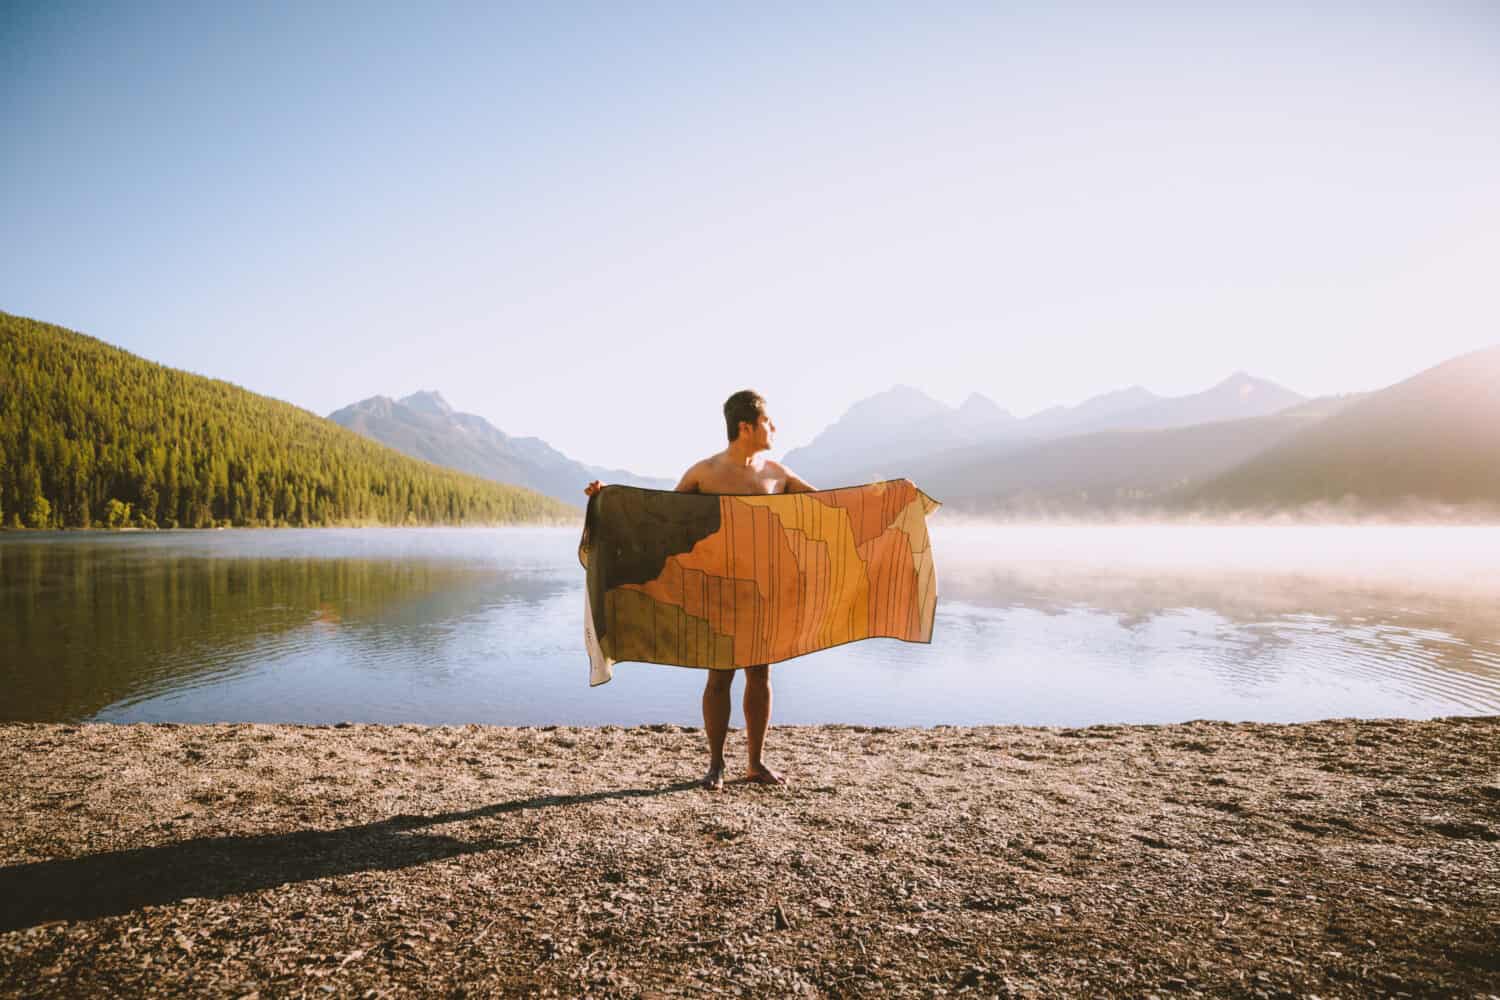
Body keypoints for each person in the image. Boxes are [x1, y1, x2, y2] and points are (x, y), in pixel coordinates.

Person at [585, 389, 815, 791]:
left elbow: (834, 507)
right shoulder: (704, 473)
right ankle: (716, 765)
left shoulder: (778, 474)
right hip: (718, 591)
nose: (774, 428)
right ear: (746, 426)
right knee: (719, 677)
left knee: (760, 675)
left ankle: (756, 763)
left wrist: (891, 498)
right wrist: (608, 500)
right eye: (768, 422)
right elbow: (658, 520)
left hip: (761, 592)